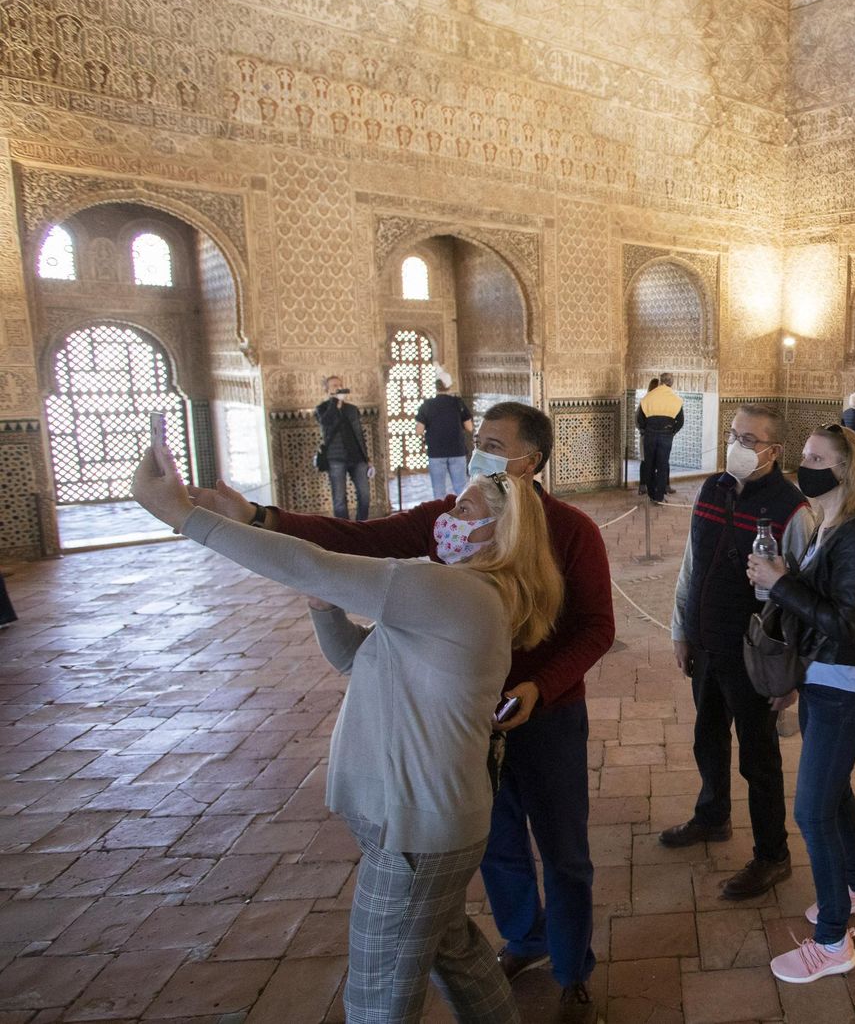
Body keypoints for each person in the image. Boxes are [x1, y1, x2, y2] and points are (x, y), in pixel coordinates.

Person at [186, 402, 613, 1024]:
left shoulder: (571, 530)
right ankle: (525, 938)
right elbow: (363, 541)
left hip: (543, 716)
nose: (479, 450)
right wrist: (259, 515)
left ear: (532, 460)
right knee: (496, 846)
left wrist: (539, 688)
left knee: (565, 851)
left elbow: (596, 628)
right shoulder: (459, 515)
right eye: (478, 439)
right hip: (460, 722)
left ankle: (573, 971)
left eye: (494, 443)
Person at [747, 424, 855, 984]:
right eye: (803, 455)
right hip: (822, 682)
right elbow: (819, 610)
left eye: (816, 457)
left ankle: (833, 941)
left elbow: (845, 622)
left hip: (845, 690)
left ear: (846, 469)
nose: (804, 464)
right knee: (834, 795)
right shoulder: (826, 523)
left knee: (811, 811)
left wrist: (782, 583)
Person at [662, 404, 814, 900]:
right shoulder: (713, 488)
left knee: (759, 757)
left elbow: (803, 598)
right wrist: (681, 630)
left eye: (749, 440)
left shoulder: (793, 509)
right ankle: (713, 816)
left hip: (753, 656)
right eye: (733, 436)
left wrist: (791, 675)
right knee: (708, 736)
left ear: (774, 451)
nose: (737, 447)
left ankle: (773, 855)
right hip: (706, 644)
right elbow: (692, 563)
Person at [316, 375, 374, 520]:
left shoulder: (352, 409)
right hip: (336, 459)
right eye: (334, 385)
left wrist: (367, 458)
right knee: (340, 500)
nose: (338, 387)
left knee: (365, 495)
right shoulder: (322, 409)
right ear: (327, 390)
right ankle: (344, 530)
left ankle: (361, 526)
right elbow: (326, 423)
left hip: (357, 457)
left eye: (339, 385)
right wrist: (334, 402)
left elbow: (359, 434)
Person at [416, 374, 475, 500]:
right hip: (457, 451)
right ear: (448, 386)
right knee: (461, 489)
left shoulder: (427, 405)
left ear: (435, 387)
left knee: (439, 492)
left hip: (436, 453)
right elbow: (469, 427)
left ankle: (440, 518)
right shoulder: (457, 403)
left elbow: (419, 430)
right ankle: (464, 516)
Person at [636, 373, 684, 505]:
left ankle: (651, 494)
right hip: (666, 435)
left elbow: (640, 419)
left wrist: (647, 430)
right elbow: (680, 421)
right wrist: (671, 432)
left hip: (650, 435)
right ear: (671, 383)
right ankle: (659, 497)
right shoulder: (676, 399)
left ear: (661, 382)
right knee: (663, 466)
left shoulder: (649, 396)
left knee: (649, 464)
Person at [637, 378, 660, 495]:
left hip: (656, 436)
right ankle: (643, 485)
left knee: (655, 462)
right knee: (645, 461)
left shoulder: (660, 402)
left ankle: (654, 486)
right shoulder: (645, 401)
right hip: (647, 436)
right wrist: (645, 430)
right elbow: (639, 420)